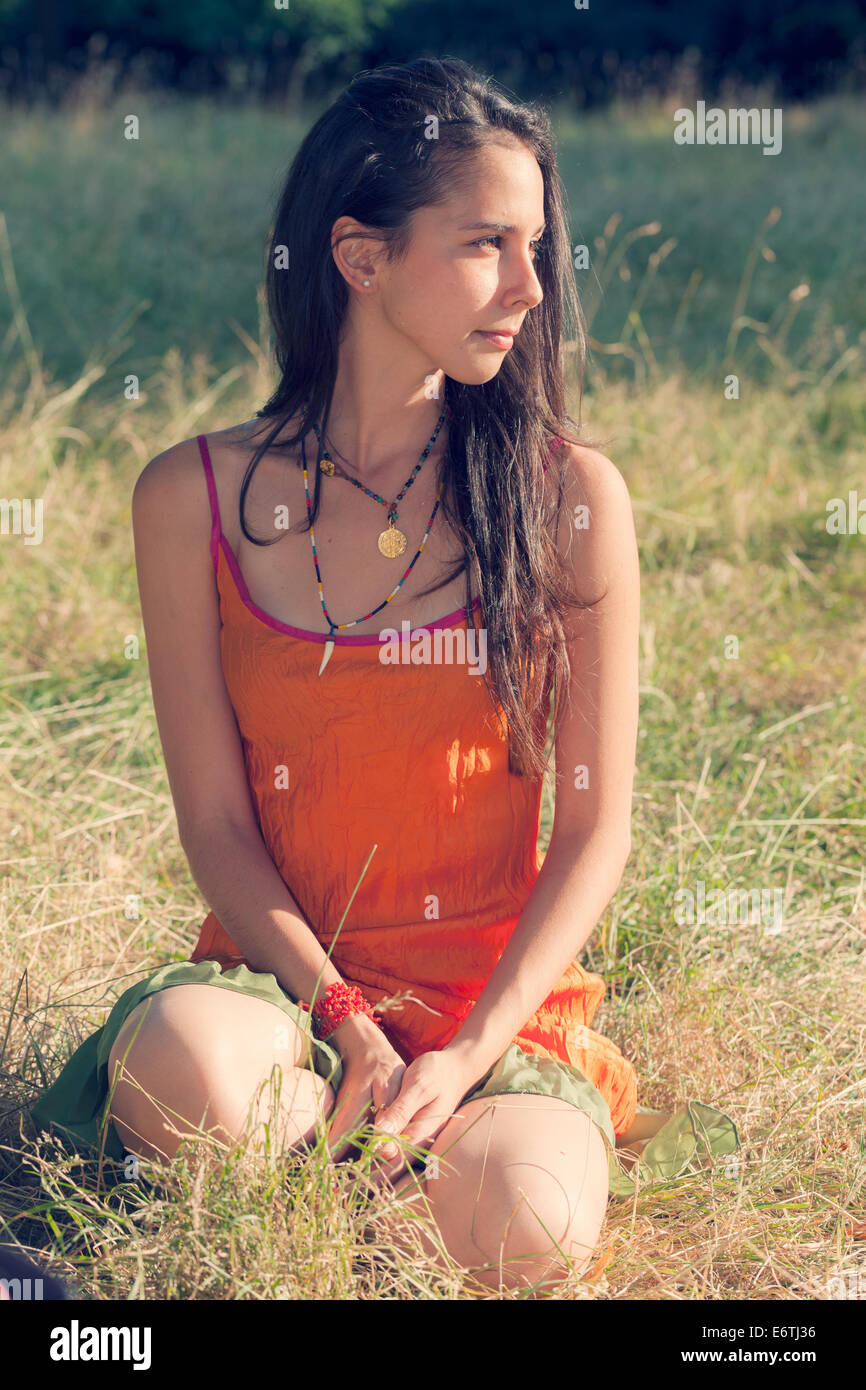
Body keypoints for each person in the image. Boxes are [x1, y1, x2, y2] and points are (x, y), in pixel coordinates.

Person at [31, 56, 739, 1294]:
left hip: (495, 1016)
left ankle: (369, 1175)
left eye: (535, 245)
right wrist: (345, 1019)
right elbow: (214, 823)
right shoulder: (189, 495)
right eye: (484, 245)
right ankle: (345, 1176)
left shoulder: (571, 498)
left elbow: (593, 831)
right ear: (358, 258)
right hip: (279, 1001)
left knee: (532, 1218)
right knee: (191, 1058)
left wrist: (462, 1054)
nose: (529, 285)